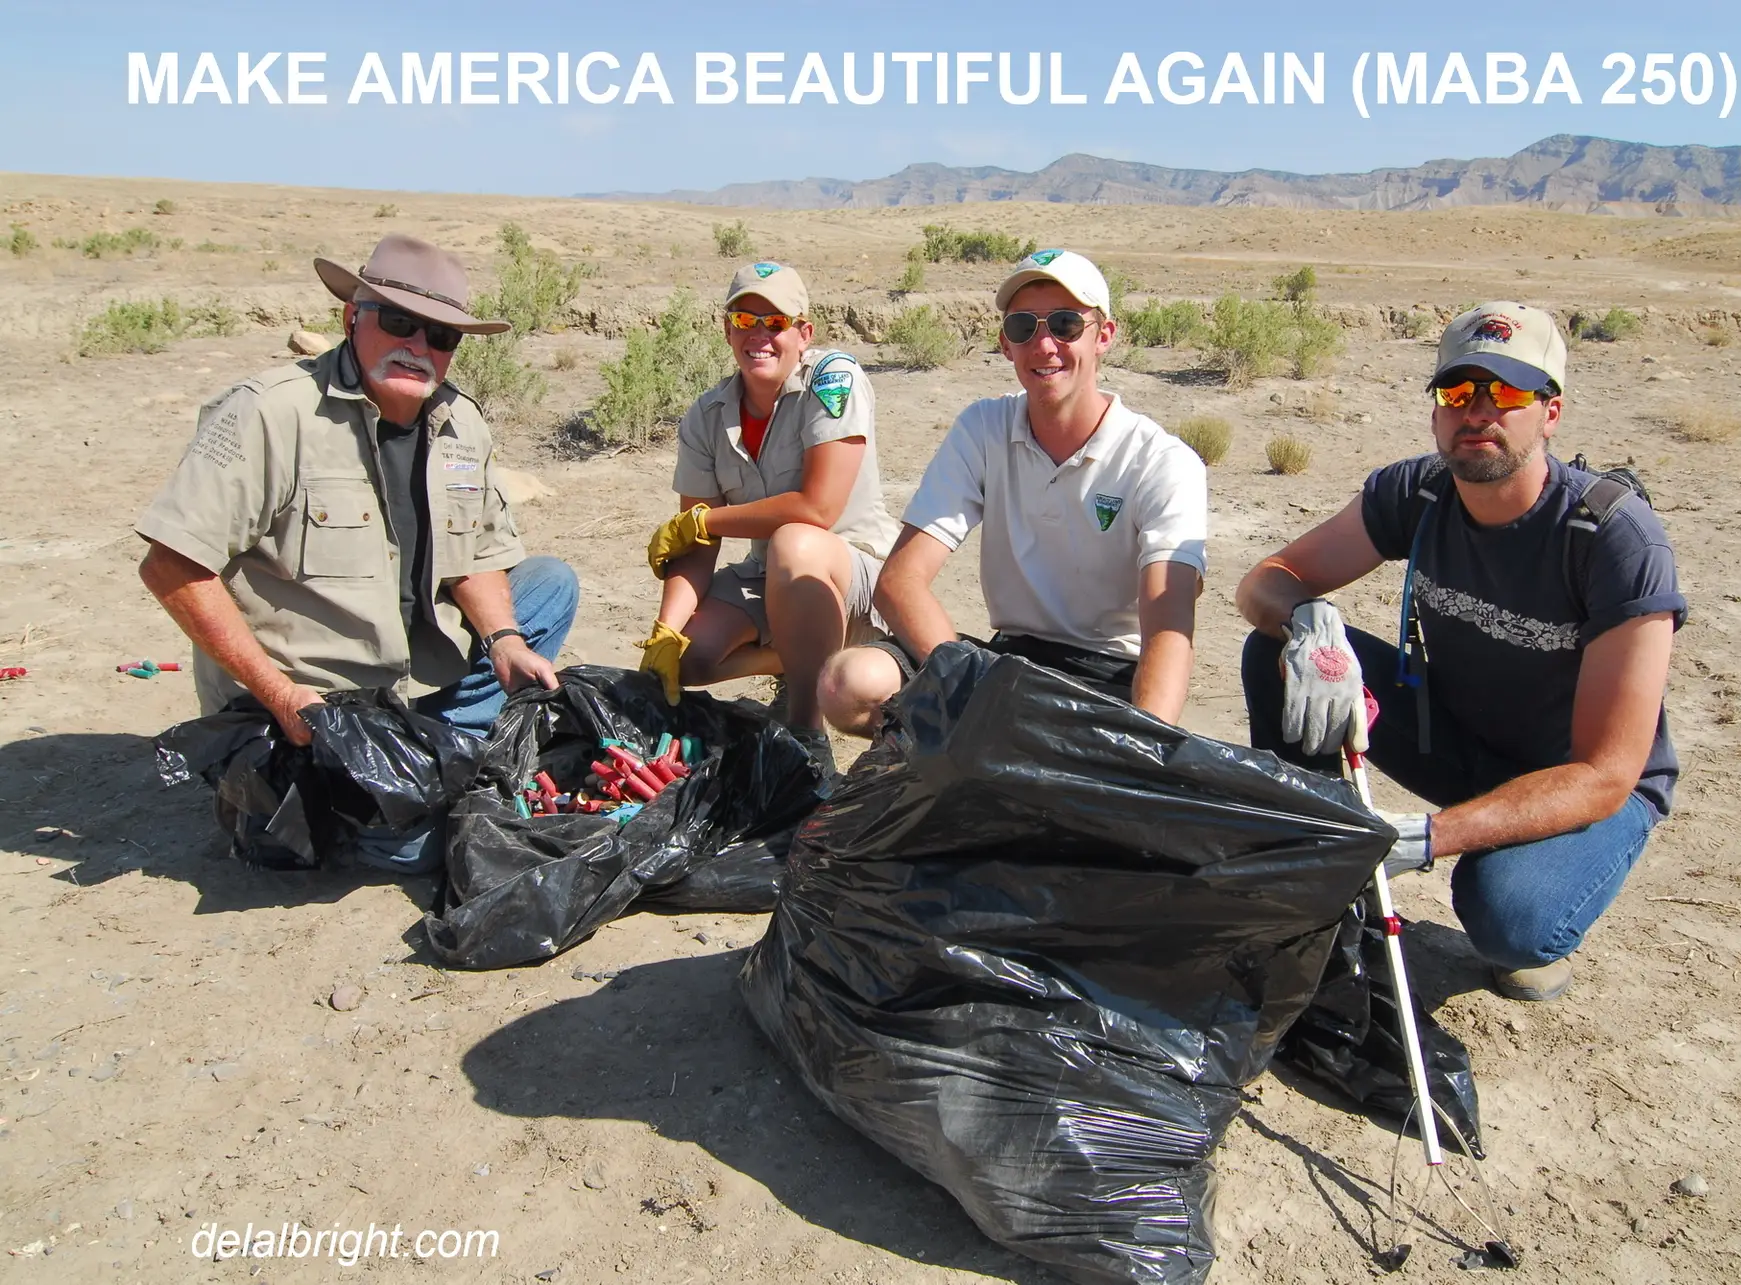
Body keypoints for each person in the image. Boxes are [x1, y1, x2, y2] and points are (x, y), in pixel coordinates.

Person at [1236, 301, 1686, 1002]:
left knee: (1509, 916)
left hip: (1581, 783)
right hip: (1457, 739)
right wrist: (1307, 620)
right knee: (1277, 653)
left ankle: (1541, 910)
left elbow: (1606, 773)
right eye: (1457, 392)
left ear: (1551, 412)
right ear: (1436, 411)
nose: (1478, 412)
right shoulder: (1416, 493)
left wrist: (1429, 836)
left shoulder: (1613, 540)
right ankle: (1318, 865)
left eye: (1506, 392)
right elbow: (1265, 582)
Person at [136, 233, 579, 870]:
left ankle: (437, 754)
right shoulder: (270, 414)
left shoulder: (460, 423)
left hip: (413, 678)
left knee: (549, 584)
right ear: (352, 316)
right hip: (311, 708)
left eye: (440, 335)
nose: (418, 346)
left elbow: (479, 553)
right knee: (429, 846)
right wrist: (282, 696)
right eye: (398, 323)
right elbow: (172, 566)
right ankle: (349, 800)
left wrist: (505, 640)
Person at [818, 249, 1207, 735]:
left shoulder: (1161, 461)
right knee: (850, 683)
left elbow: (1168, 624)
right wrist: (969, 691)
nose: (1044, 345)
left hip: (1109, 677)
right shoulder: (984, 428)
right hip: (1008, 661)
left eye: (1065, 325)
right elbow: (900, 582)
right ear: (1006, 343)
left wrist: (1145, 746)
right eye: (1024, 327)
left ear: (1104, 336)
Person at [636, 262, 897, 769]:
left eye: (775, 323)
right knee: (688, 655)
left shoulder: (832, 379)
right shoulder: (707, 415)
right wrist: (665, 630)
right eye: (744, 320)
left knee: (795, 541)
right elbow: (696, 546)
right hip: (775, 578)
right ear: (726, 329)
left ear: (804, 333)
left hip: (858, 576)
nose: (759, 335)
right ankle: (801, 659)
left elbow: (818, 508)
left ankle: (806, 733)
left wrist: (705, 521)